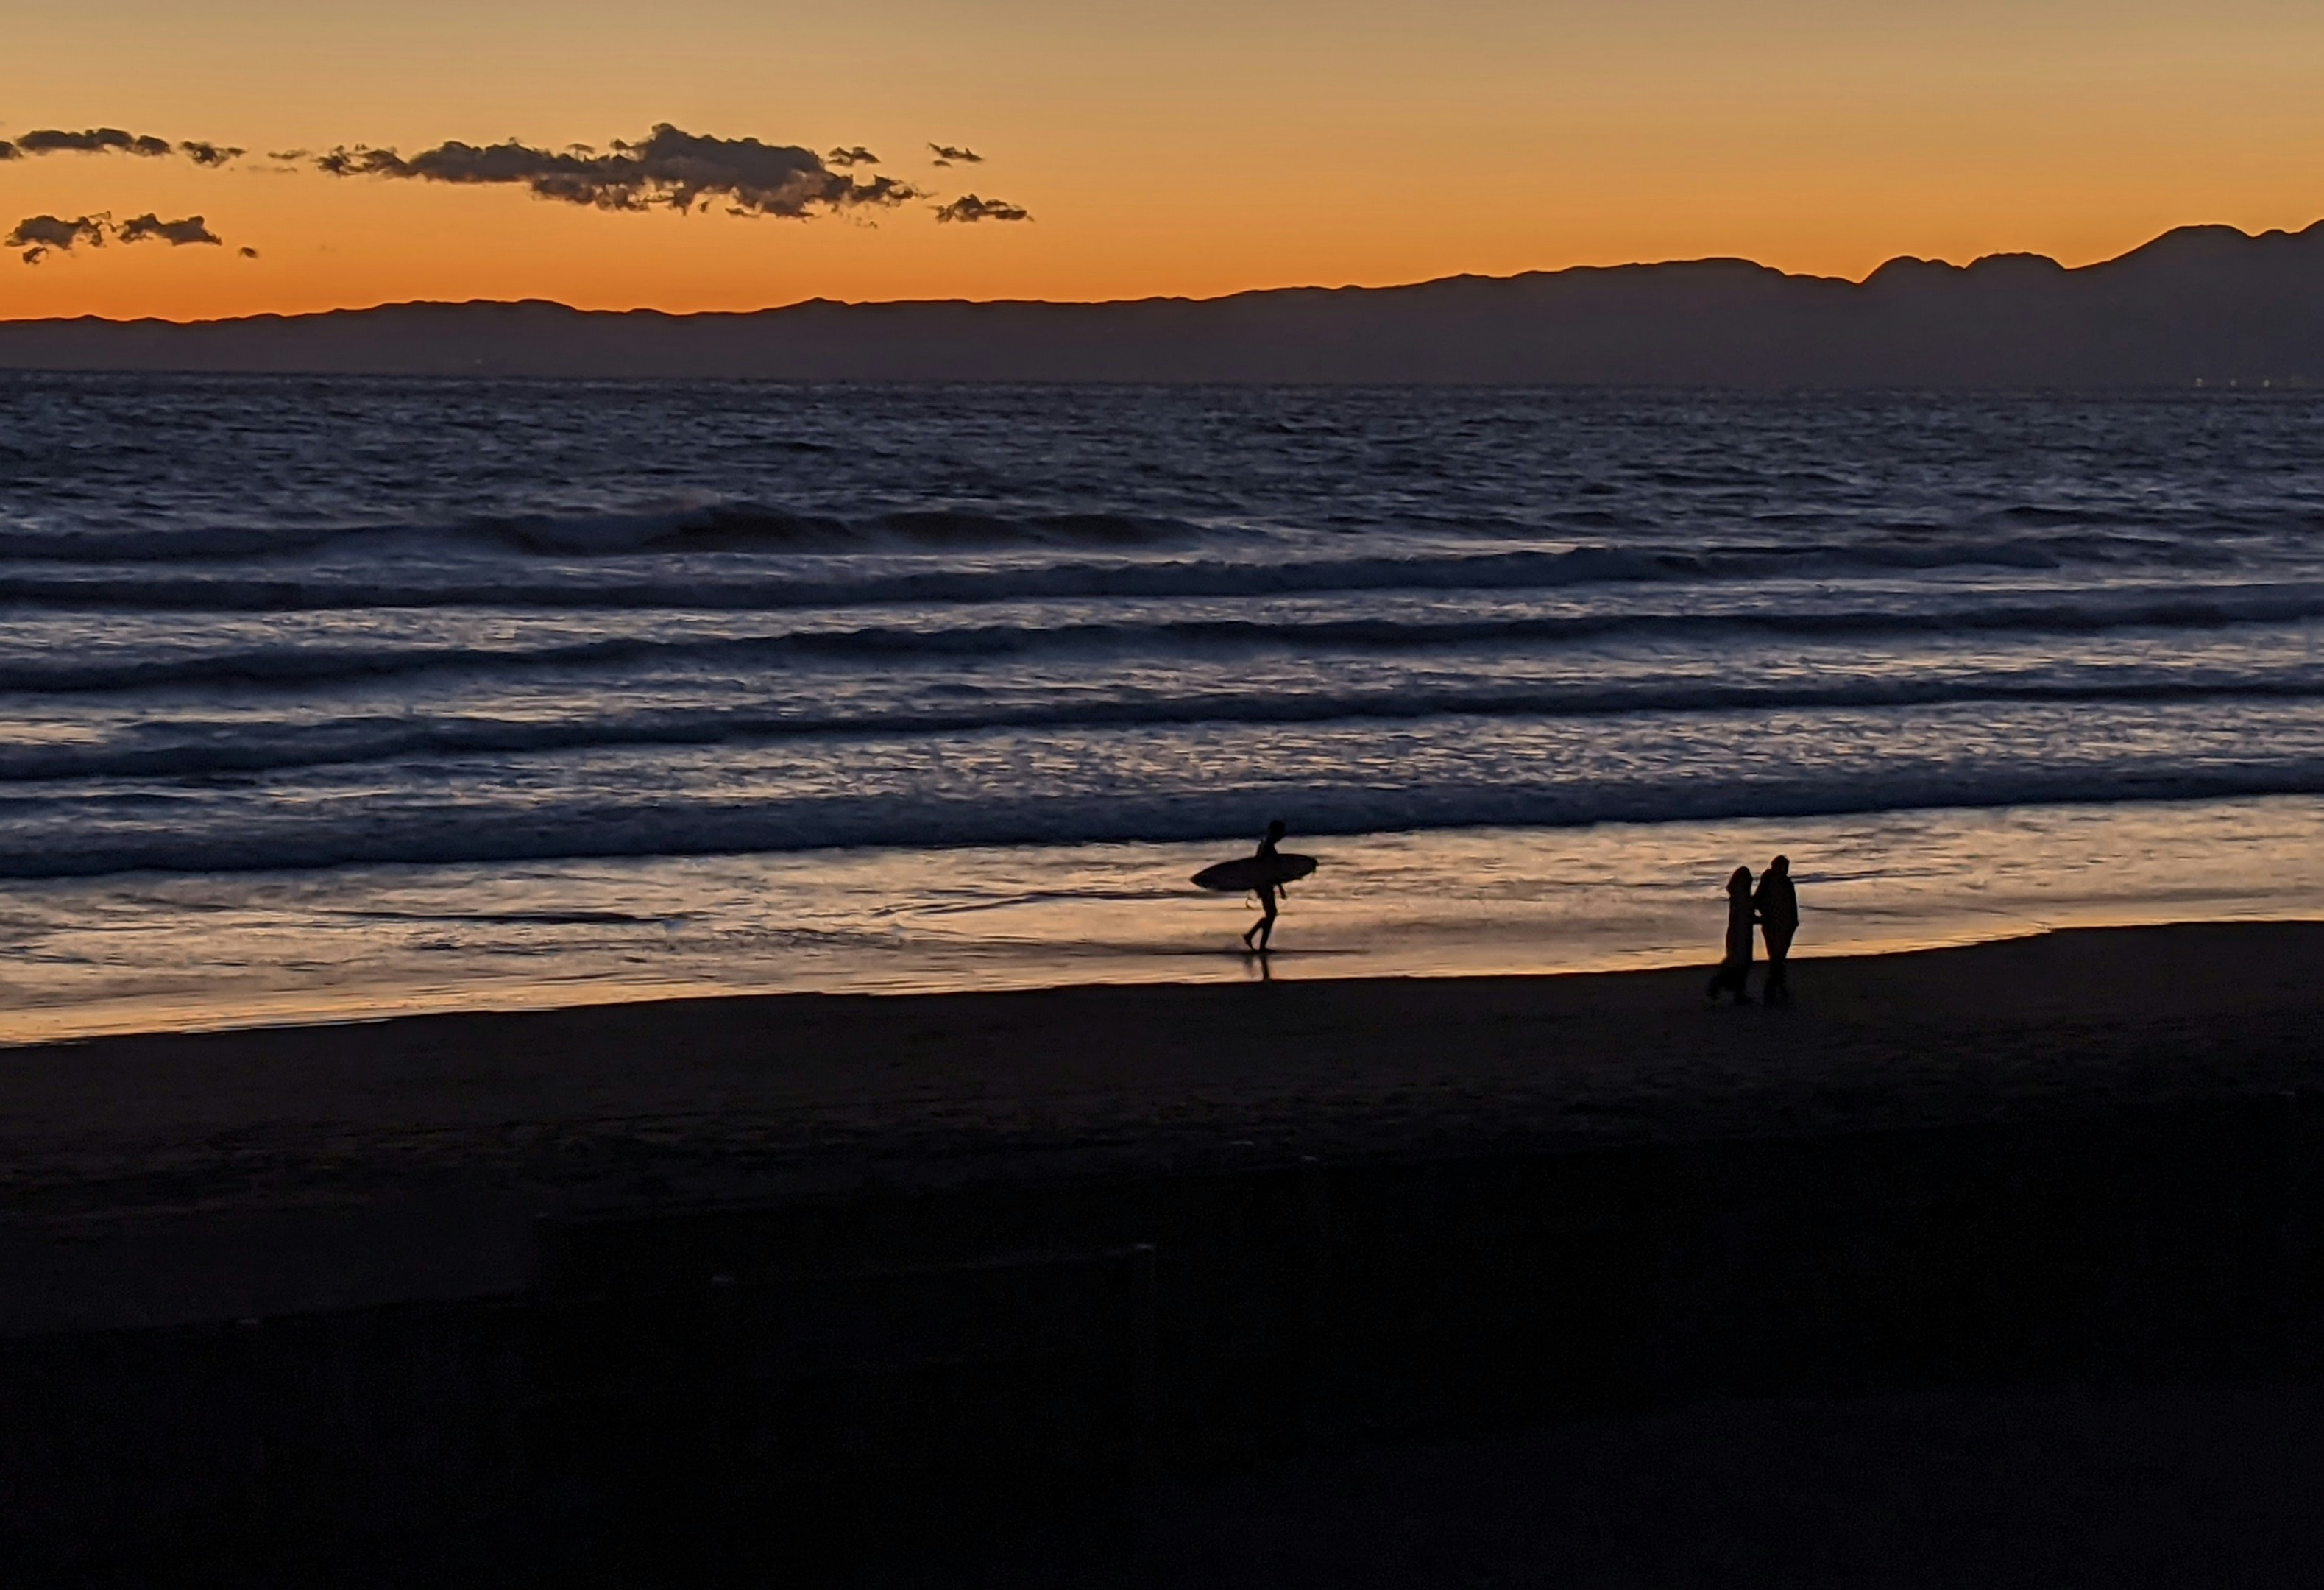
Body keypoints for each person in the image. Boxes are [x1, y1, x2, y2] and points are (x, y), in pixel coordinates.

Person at [1704, 865, 1755, 1004]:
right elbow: (1745, 916)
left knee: (1740, 963)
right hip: (1740, 933)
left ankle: (1736, 993)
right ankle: (1718, 989)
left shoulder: (1738, 895)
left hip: (1740, 932)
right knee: (1738, 964)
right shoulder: (1741, 896)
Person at [1754, 855, 1799, 1004]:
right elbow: (1757, 901)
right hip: (1772, 925)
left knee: (1779, 957)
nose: (1785, 870)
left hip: (1786, 925)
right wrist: (1767, 914)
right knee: (1776, 957)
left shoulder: (1787, 883)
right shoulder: (1768, 881)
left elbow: (1792, 904)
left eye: (1786, 867)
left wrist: (1794, 921)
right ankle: (1773, 988)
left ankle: (1778, 987)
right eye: (1783, 866)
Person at [1241, 819, 1289, 953]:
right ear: (1275, 832)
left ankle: (1254, 939)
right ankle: (1252, 938)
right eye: (1281, 833)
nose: (1282, 836)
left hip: (1265, 884)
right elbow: (1267, 869)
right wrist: (1279, 888)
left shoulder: (1265, 845)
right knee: (1271, 914)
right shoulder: (1267, 847)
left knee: (1271, 914)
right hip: (1265, 885)